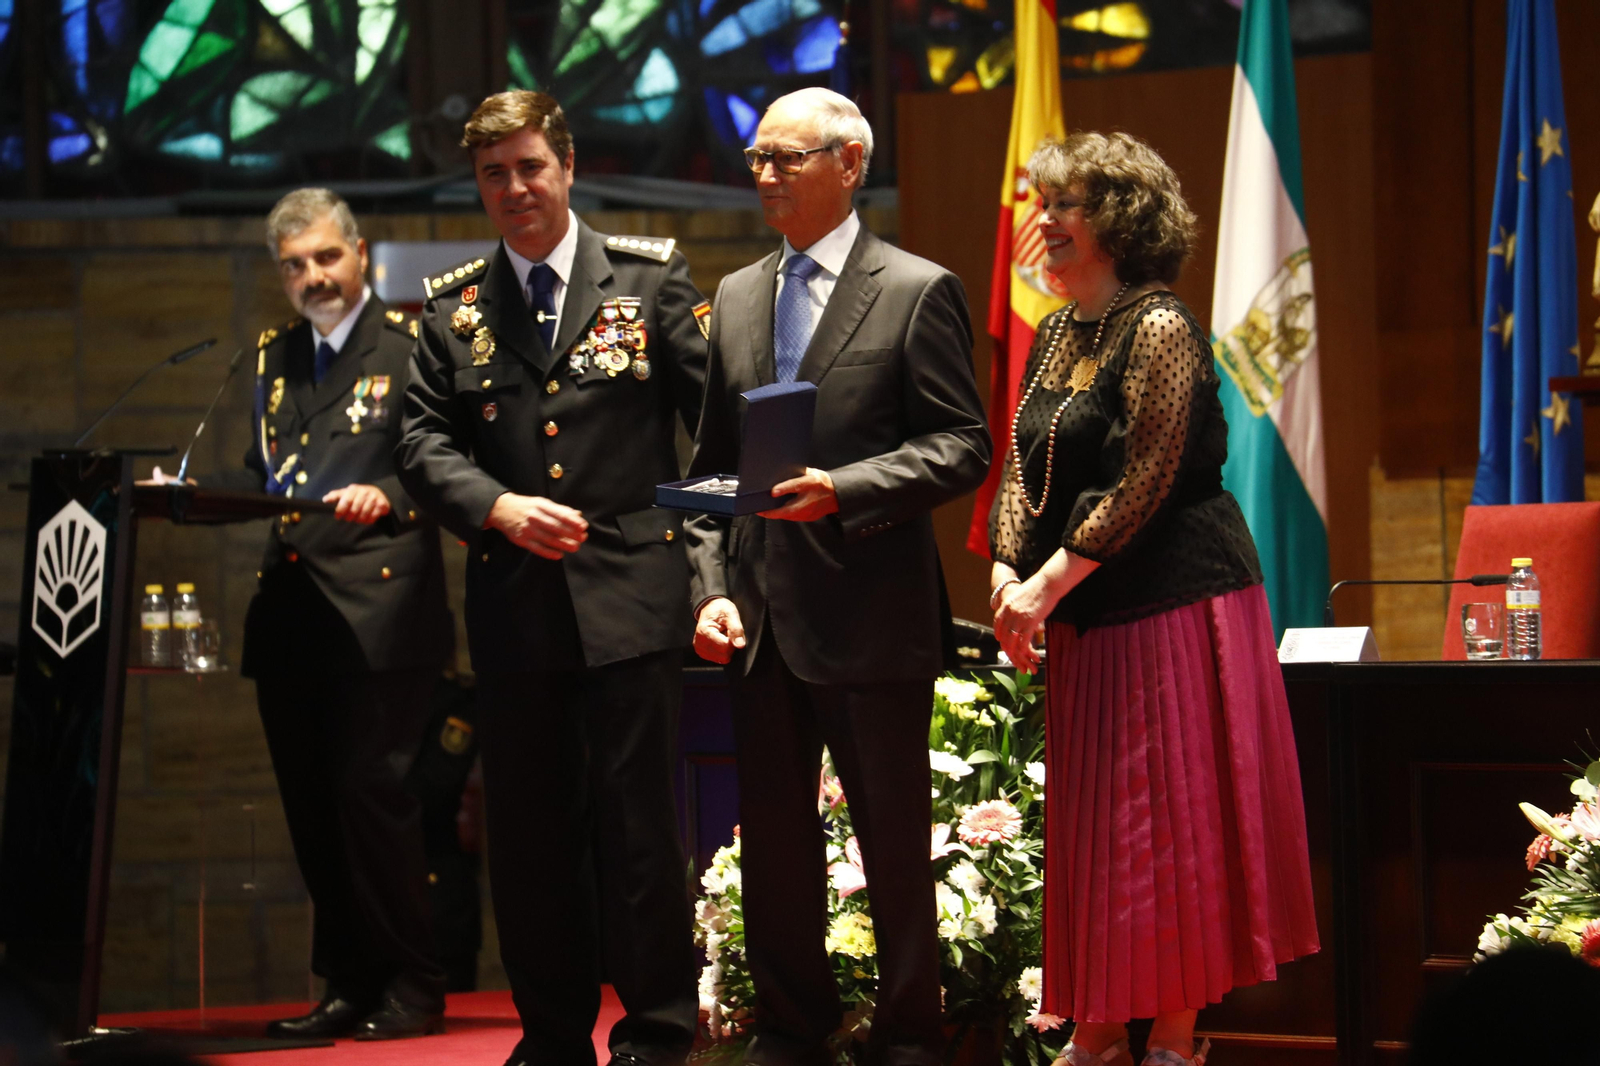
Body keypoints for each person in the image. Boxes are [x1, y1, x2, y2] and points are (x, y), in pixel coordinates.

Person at [986, 132, 1320, 1066]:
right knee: (1102, 832)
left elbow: (1149, 475)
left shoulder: (1161, 323)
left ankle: (1173, 1039)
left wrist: (1047, 585)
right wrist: (1011, 576)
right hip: (1088, 606)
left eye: (1065, 206)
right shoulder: (1057, 330)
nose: (1043, 222)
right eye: (1042, 204)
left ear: (1121, 220)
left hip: (1178, 604)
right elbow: (1025, 466)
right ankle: (1096, 1033)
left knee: (1170, 827)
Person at [396, 90, 709, 1066]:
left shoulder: (650, 283)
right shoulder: (454, 308)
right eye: (494, 174)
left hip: (633, 599)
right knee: (529, 846)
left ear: (567, 167)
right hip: (516, 611)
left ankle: (658, 1034)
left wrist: (711, 572)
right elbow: (417, 440)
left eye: (531, 166)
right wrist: (495, 505)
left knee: (642, 840)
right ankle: (553, 1038)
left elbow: (714, 436)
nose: (515, 188)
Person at [687, 87, 991, 1065]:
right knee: (777, 849)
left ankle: (909, 1032)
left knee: (894, 841)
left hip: (870, 611)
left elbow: (961, 445)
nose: (764, 175)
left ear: (849, 163)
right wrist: (711, 589)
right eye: (758, 157)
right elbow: (707, 471)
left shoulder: (913, 288)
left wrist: (847, 487)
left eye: (786, 157)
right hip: (761, 614)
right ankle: (792, 1025)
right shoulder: (733, 295)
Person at [157, 188, 454, 1039]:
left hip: (380, 609)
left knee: (373, 797)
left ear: (360, 255)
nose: (313, 278)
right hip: (292, 614)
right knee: (314, 807)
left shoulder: (409, 351)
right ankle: (350, 982)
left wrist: (386, 492)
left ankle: (415, 983)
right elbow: (264, 476)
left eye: (326, 258)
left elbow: (450, 469)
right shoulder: (269, 360)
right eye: (294, 266)